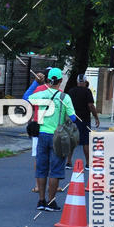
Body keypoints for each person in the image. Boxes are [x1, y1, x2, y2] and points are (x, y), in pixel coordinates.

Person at [28, 67, 77, 211]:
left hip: (42, 135)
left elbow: (27, 98)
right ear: (61, 81)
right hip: (58, 136)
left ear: (48, 80)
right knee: (55, 170)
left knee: (42, 168)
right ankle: (51, 202)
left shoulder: (41, 94)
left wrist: (36, 83)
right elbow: (73, 117)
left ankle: (41, 201)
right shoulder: (64, 97)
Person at [66, 74, 100, 168]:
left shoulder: (71, 91)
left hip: (73, 119)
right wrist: (96, 117)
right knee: (86, 142)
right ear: (85, 82)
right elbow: (91, 105)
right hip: (85, 120)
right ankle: (88, 164)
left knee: (72, 141)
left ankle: (68, 162)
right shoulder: (87, 91)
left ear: (77, 82)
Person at [23, 71, 46, 192]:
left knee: (38, 158)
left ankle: (38, 186)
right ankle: (54, 185)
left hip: (38, 128)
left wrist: (35, 83)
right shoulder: (61, 94)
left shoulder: (38, 91)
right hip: (53, 130)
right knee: (54, 158)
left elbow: (25, 98)